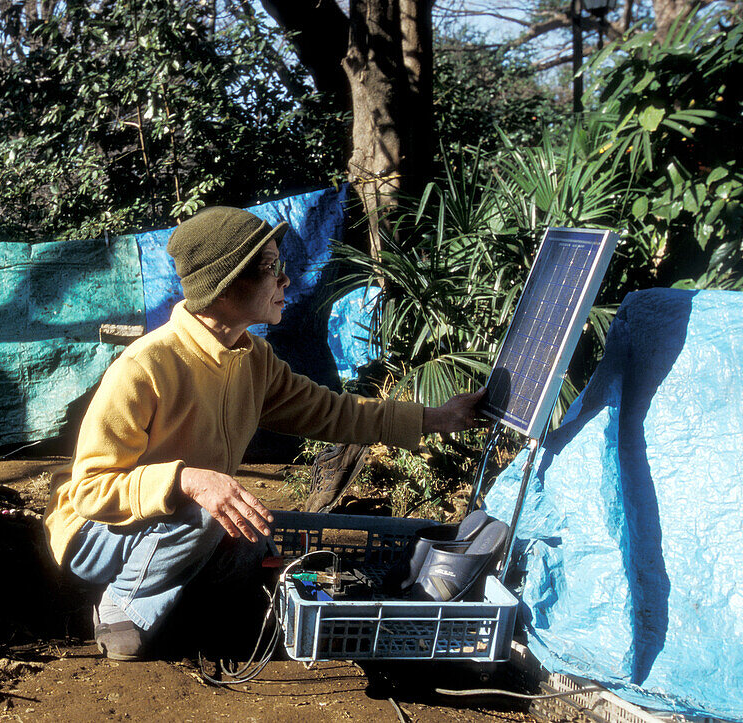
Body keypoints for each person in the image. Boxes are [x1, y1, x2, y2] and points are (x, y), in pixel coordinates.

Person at [43, 206, 485, 660]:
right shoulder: (145, 367)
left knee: (258, 544)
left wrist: (436, 418)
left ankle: (200, 603)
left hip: (178, 531)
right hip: (97, 534)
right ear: (226, 284)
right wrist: (186, 480)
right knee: (214, 514)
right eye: (272, 268)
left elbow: (332, 412)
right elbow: (91, 492)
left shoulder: (252, 359)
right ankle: (122, 605)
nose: (286, 281)